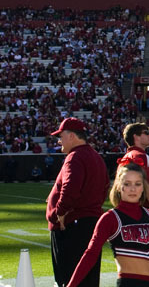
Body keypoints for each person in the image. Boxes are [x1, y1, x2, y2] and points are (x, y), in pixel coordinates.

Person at [46, 118, 109, 287]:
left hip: (72, 227)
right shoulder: (96, 156)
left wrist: (59, 213)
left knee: (68, 279)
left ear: (72, 136)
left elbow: (70, 189)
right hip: (90, 223)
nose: (59, 140)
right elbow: (105, 188)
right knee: (88, 278)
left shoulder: (74, 157)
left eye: (61, 136)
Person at [119, 123, 149, 222]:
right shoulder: (141, 156)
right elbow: (148, 187)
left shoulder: (126, 156)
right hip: (140, 213)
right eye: (147, 133)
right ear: (136, 137)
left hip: (126, 212)